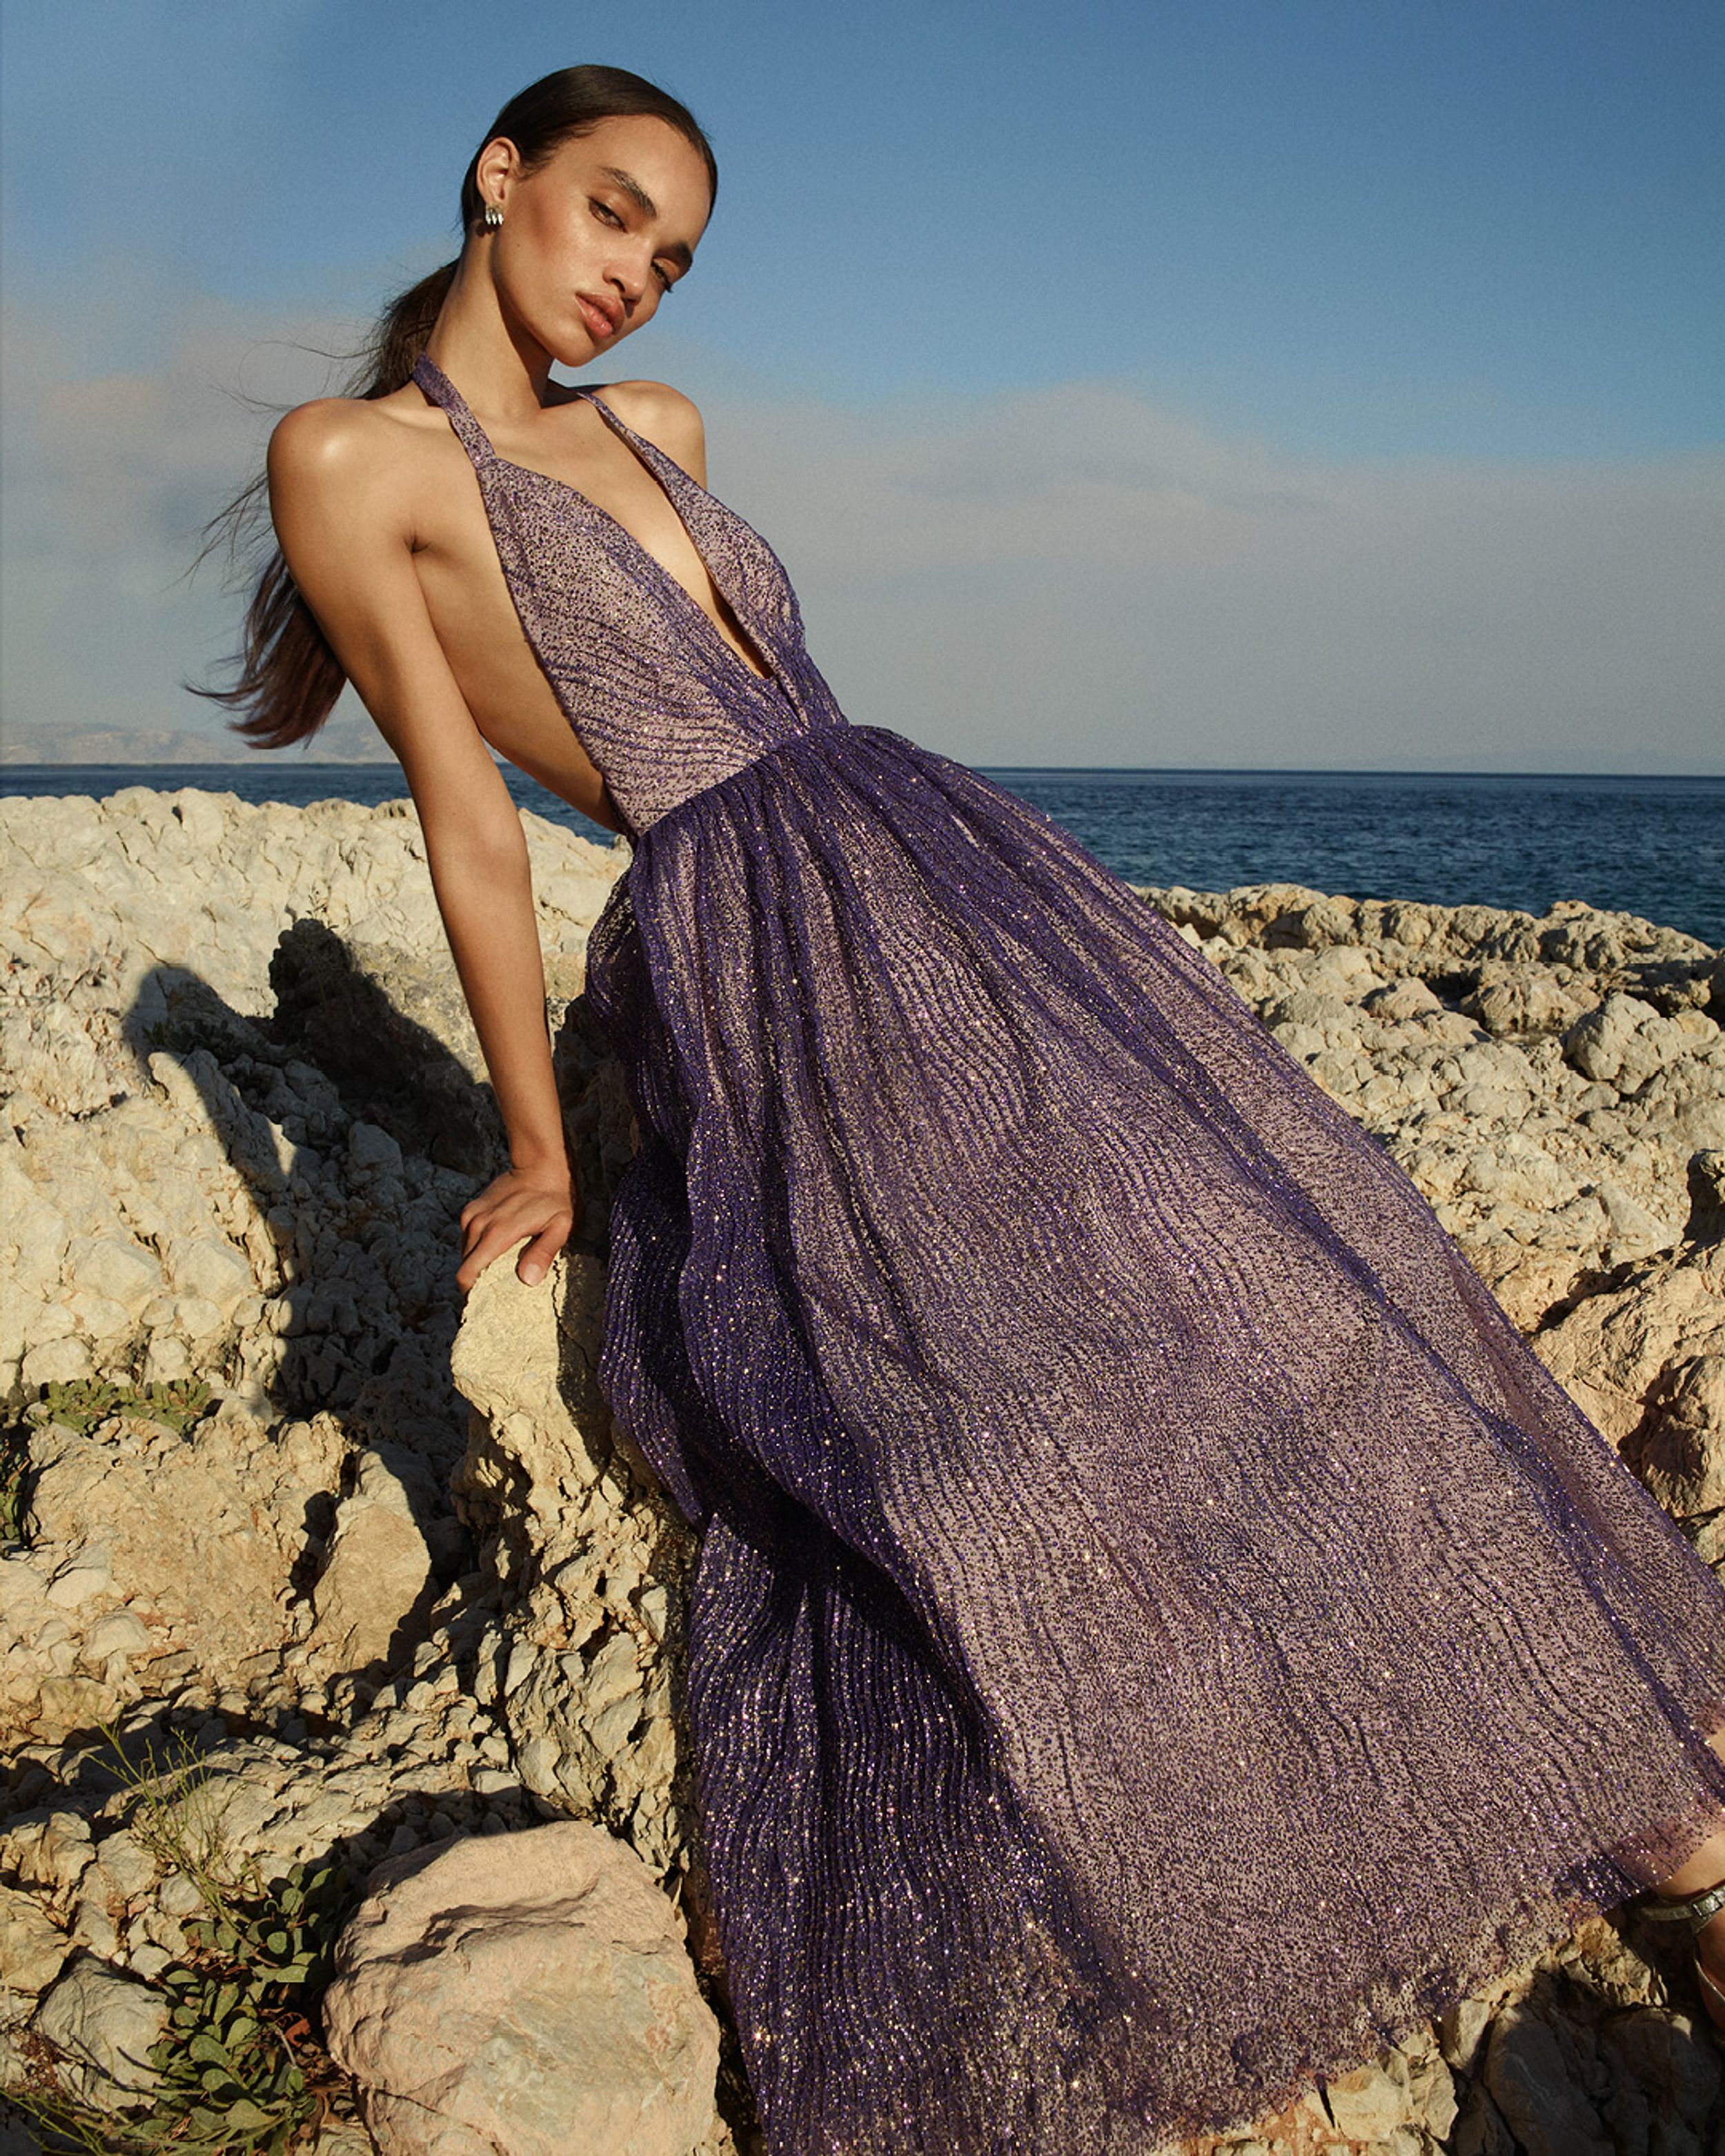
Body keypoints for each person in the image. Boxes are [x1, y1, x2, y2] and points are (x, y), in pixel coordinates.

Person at [200, 61, 1725, 2153]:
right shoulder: (351, 457)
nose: (637, 274)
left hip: (942, 867)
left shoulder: (664, 433)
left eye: (674, 252)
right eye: (612, 212)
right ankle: (1239, 1894)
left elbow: (777, 689)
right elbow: (467, 821)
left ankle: (1644, 1788)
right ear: (497, 177)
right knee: (978, 1436)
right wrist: (542, 1143)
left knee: (1299, 1263)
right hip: (748, 945)